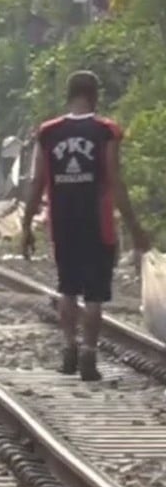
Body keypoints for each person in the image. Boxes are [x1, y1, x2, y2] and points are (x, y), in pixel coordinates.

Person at [22, 70, 150, 381]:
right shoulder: (106, 131)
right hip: (97, 224)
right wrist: (135, 228)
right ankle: (89, 356)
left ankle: (68, 351)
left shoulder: (48, 133)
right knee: (94, 295)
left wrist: (26, 225)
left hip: (62, 223)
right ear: (95, 95)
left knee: (67, 288)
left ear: (68, 95)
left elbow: (37, 181)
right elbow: (115, 181)